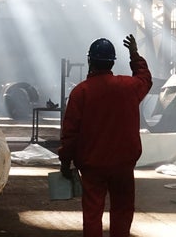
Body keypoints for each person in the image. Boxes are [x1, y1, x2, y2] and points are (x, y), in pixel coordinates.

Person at [58, 34, 152, 237]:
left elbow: (70, 133)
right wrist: (134, 55)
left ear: (90, 61)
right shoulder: (129, 87)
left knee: (92, 213)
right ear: (112, 62)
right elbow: (145, 79)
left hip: (92, 166)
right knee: (122, 210)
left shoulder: (81, 92)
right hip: (123, 164)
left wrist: (65, 161)